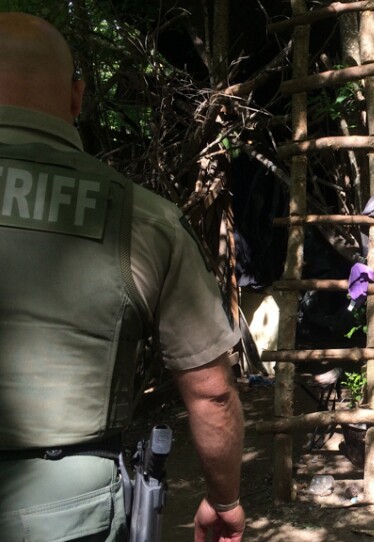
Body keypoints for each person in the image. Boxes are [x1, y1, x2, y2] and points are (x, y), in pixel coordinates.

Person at [0, 13, 245, 542]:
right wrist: (224, 499)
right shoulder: (142, 218)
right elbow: (212, 394)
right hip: (66, 513)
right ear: (77, 96)